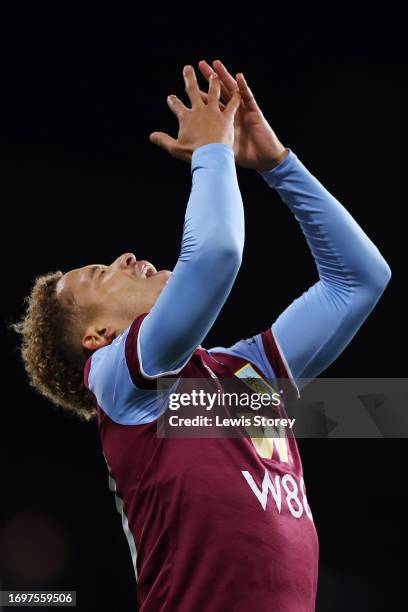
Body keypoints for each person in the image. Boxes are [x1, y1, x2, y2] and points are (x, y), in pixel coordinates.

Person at [14, 59, 391, 611]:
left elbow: (360, 280)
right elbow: (215, 256)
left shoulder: (242, 376)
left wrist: (280, 166)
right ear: (98, 336)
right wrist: (212, 152)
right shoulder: (121, 384)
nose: (122, 257)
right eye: (98, 274)